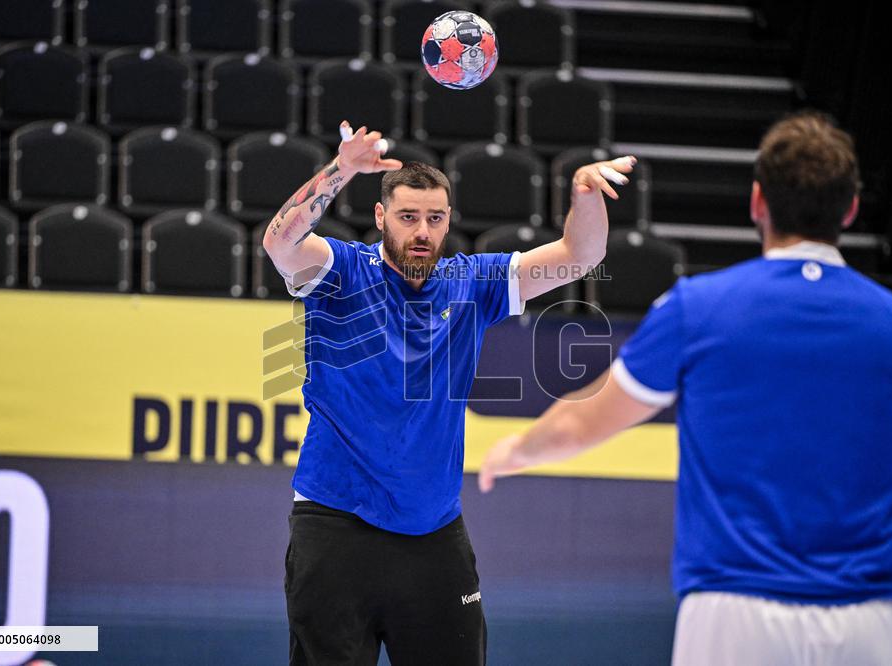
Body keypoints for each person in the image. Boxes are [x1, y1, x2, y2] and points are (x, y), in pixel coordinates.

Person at [479, 111, 892, 666]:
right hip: (871, 620)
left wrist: (514, 451)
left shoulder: (699, 308)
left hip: (735, 613)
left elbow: (583, 421)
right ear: (851, 209)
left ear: (757, 202)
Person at [263, 119, 637, 665]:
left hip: (434, 533)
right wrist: (343, 167)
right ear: (380, 216)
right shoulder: (341, 270)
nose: (421, 231)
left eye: (434, 219)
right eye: (408, 216)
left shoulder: (472, 283)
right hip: (334, 524)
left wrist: (584, 193)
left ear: (448, 223)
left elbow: (579, 256)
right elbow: (279, 240)